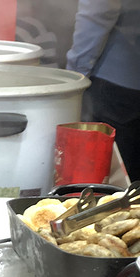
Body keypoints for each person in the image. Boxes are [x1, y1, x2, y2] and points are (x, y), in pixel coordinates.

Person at [67, 0, 140, 180]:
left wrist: (74, 77)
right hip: (126, 82)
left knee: (116, 180)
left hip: (119, 83)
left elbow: (99, 11)